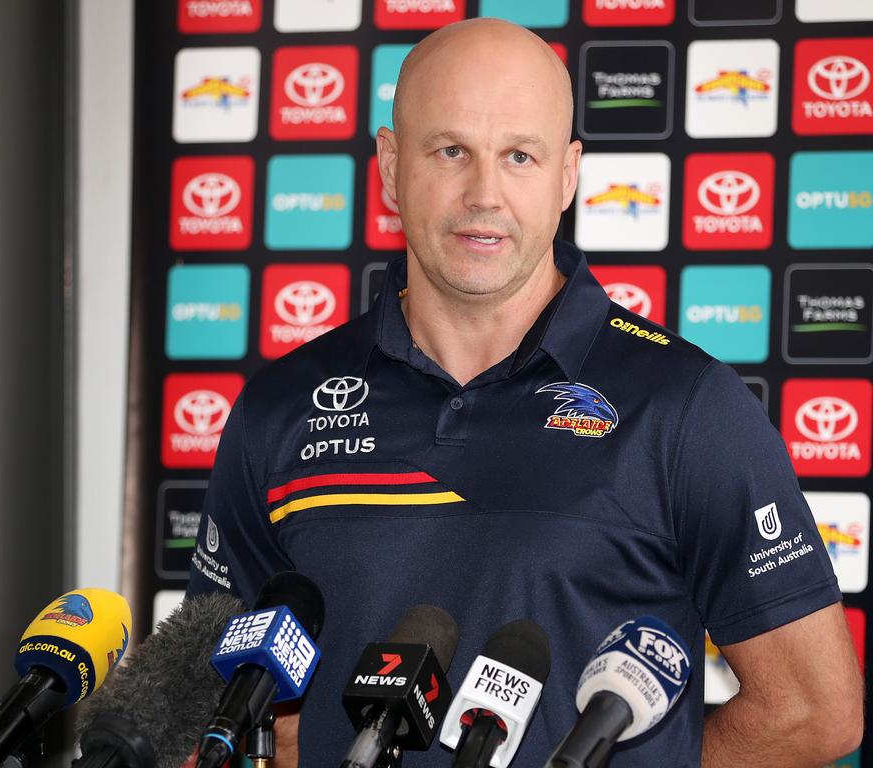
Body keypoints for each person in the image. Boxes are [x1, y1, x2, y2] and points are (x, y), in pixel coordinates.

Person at [185, 18, 864, 767]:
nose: (485, 194)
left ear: (567, 175)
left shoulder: (686, 407)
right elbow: (223, 703)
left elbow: (813, 711)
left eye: (519, 156)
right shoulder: (281, 407)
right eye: (451, 151)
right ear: (388, 165)